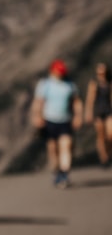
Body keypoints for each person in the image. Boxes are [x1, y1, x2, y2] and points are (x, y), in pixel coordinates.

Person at [31, 59, 83, 188]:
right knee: (53, 150)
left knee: (66, 145)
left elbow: (76, 101)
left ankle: (64, 174)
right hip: (50, 121)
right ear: (52, 71)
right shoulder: (45, 84)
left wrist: (78, 116)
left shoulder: (70, 85)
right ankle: (56, 170)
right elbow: (39, 102)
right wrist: (37, 116)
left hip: (65, 120)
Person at [84, 62, 112, 167]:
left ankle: (108, 153)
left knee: (110, 134)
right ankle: (103, 157)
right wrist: (88, 112)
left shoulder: (109, 82)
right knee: (100, 136)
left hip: (108, 110)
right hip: (98, 111)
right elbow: (90, 99)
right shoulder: (94, 83)